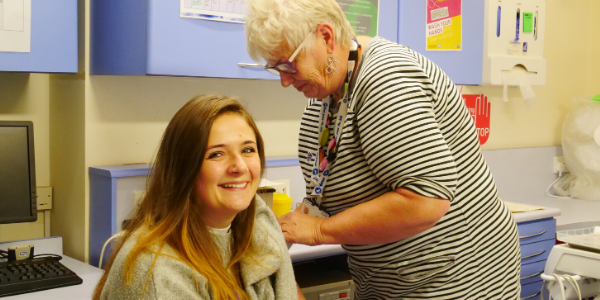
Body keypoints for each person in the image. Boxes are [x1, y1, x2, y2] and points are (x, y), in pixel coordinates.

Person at [244, 1, 521, 299]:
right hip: (387, 282)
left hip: (454, 279)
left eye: (288, 65)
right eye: (275, 68)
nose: (284, 81)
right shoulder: (326, 99)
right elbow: (330, 190)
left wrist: (317, 231)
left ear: (325, 37)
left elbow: (426, 199)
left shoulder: (386, 79)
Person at [93, 95, 300, 300]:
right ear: (184, 169)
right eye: (217, 154)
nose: (240, 167)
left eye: (248, 150)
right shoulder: (155, 273)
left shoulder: (259, 221)